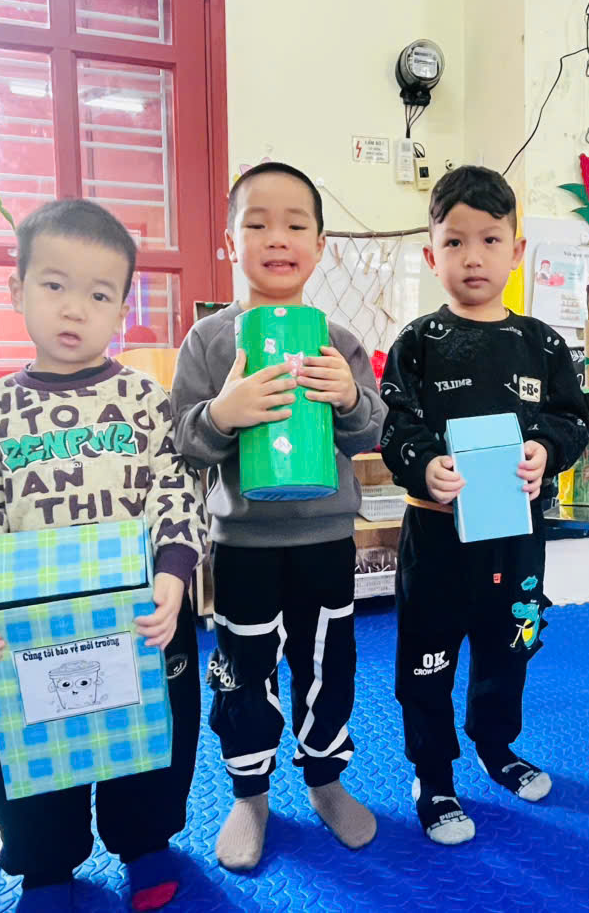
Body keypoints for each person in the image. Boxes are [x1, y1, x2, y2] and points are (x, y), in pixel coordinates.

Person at [0, 199, 208, 913]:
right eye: (54, 285)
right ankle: (45, 865)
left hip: (140, 611)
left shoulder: (146, 400)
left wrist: (175, 573)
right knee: (34, 742)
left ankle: (145, 842)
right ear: (16, 287)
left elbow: (176, 489)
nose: (74, 308)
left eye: (99, 294)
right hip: (30, 622)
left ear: (122, 308)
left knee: (152, 731)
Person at [170, 162, 385, 871]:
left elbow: (373, 431)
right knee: (242, 667)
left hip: (326, 536)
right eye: (256, 223)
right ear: (230, 242)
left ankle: (325, 778)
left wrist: (349, 398)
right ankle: (250, 792)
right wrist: (222, 414)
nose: (277, 238)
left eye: (296, 225)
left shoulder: (338, 341)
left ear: (320, 245)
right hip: (243, 542)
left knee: (329, 663)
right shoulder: (209, 342)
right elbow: (183, 442)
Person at [379, 165, 589, 845]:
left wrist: (545, 450)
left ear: (516, 251)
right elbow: (394, 425)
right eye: (455, 242)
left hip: (515, 538)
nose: (473, 257)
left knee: (509, 650)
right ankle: (433, 776)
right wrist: (424, 464)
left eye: (490, 240)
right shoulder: (417, 343)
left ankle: (497, 748)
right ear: (430, 254)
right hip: (437, 539)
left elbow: (574, 420)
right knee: (427, 659)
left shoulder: (543, 344)